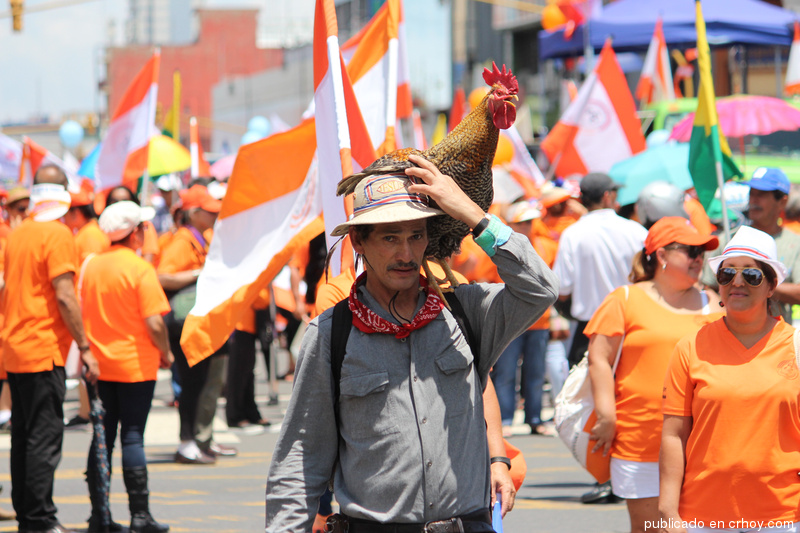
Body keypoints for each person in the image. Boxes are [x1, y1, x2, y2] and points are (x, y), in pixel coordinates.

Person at [265, 155, 558, 531]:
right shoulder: (330, 335)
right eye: (390, 237)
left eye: (416, 236)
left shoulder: (466, 313)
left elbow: (541, 289)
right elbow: (300, 458)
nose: (406, 254)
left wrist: (472, 215)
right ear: (359, 241)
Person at [583, 217, 721, 533]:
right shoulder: (625, 299)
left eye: (701, 251)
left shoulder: (712, 303)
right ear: (661, 254)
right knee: (650, 529)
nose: (698, 258)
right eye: (690, 250)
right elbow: (599, 358)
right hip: (639, 440)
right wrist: (607, 415)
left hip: (700, 444)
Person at [660, 226, 800, 533]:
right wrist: (668, 510)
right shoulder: (690, 346)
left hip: (782, 517)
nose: (737, 282)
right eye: (727, 274)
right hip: (703, 516)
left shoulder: (796, 345)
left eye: (751, 275)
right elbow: (673, 434)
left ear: (772, 285)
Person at [2, 166, 99, 533]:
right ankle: (40, 519)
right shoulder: (57, 234)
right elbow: (64, 295)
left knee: (24, 437)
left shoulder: (18, 233)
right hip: (43, 347)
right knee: (43, 438)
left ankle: (30, 516)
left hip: (16, 346)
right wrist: (85, 346)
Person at [81, 201, 172, 533]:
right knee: (132, 436)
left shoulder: (90, 266)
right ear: (135, 233)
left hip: (98, 366)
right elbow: (155, 324)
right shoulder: (139, 268)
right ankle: (139, 515)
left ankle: (99, 515)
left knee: (102, 438)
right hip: (135, 365)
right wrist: (166, 353)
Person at [157, 184, 232, 463]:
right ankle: (186, 441)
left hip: (198, 321)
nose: (214, 215)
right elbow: (162, 277)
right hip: (184, 323)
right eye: (208, 211)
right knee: (191, 385)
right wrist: (199, 273)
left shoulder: (200, 236)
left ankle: (195, 441)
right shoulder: (183, 240)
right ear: (194, 213)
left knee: (200, 384)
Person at [553, 173, 647, 368]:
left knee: (587, 397)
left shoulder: (572, 234)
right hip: (632, 327)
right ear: (607, 196)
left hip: (589, 331)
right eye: (615, 193)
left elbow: (561, 290)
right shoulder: (636, 231)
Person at [491, 201, 558, 436]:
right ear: (511, 224)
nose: (528, 227)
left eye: (530, 222)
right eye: (522, 222)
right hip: (512, 317)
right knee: (505, 371)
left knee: (536, 372)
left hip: (540, 320)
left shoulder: (547, 246)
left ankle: (535, 418)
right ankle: (505, 419)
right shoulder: (498, 247)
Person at [701, 167, 800, 324]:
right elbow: (707, 288)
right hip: (728, 336)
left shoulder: (796, 244)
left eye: (761, 195)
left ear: (783, 201)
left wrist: (758, 285)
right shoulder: (728, 238)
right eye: (751, 193)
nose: (753, 200)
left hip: (777, 341)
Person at [63, 187, 110, 430]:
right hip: (86, 304)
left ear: (77, 212)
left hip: (87, 305)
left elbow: (91, 274)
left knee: (87, 358)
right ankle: (86, 409)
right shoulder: (87, 232)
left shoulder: (89, 235)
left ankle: (89, 409)